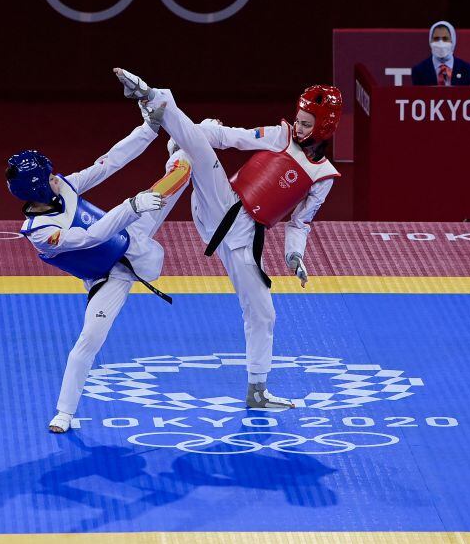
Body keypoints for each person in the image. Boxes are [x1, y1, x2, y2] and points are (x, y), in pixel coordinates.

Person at [113, 67, 342, 410]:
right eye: (299, 119)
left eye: (307, 124)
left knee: (263, 313)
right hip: (223, 203)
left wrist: (295, 257)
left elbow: (300, 224)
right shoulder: (278, 135)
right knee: (198, 151)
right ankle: (153, 96)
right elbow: (231, 137)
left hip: (245, 238)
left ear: (325, 127)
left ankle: (257, 390)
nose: (299, 127)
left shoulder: (323, 176)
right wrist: (202, 130)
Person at [7, 119, 191, 433]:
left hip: (131, 232)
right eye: (49, 177)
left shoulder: (62, 187)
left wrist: (147, 128)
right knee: (90, 338)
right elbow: (92, 237)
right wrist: (132, 205)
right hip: (110, 275)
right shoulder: (39, 232)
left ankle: (181, 147)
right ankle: (64, 412)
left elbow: (107, 163)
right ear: (37, 186)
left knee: (180, 176)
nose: (57, 178)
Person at [410, 20, 470, 86]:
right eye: (436, 38)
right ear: (430, 41)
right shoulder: (419, 70)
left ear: (453, 40)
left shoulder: (466, 69)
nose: (440, 42)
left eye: (445, 38)